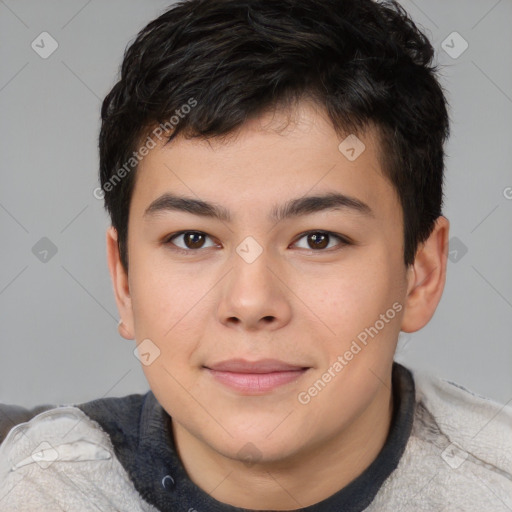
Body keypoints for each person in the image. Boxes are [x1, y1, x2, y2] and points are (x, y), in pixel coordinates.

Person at [1, 0, 510, 510]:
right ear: (125, 281)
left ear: (421, 274)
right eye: (193, 239)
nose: (250, 302)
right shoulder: (41, 489)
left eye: (318, 239)